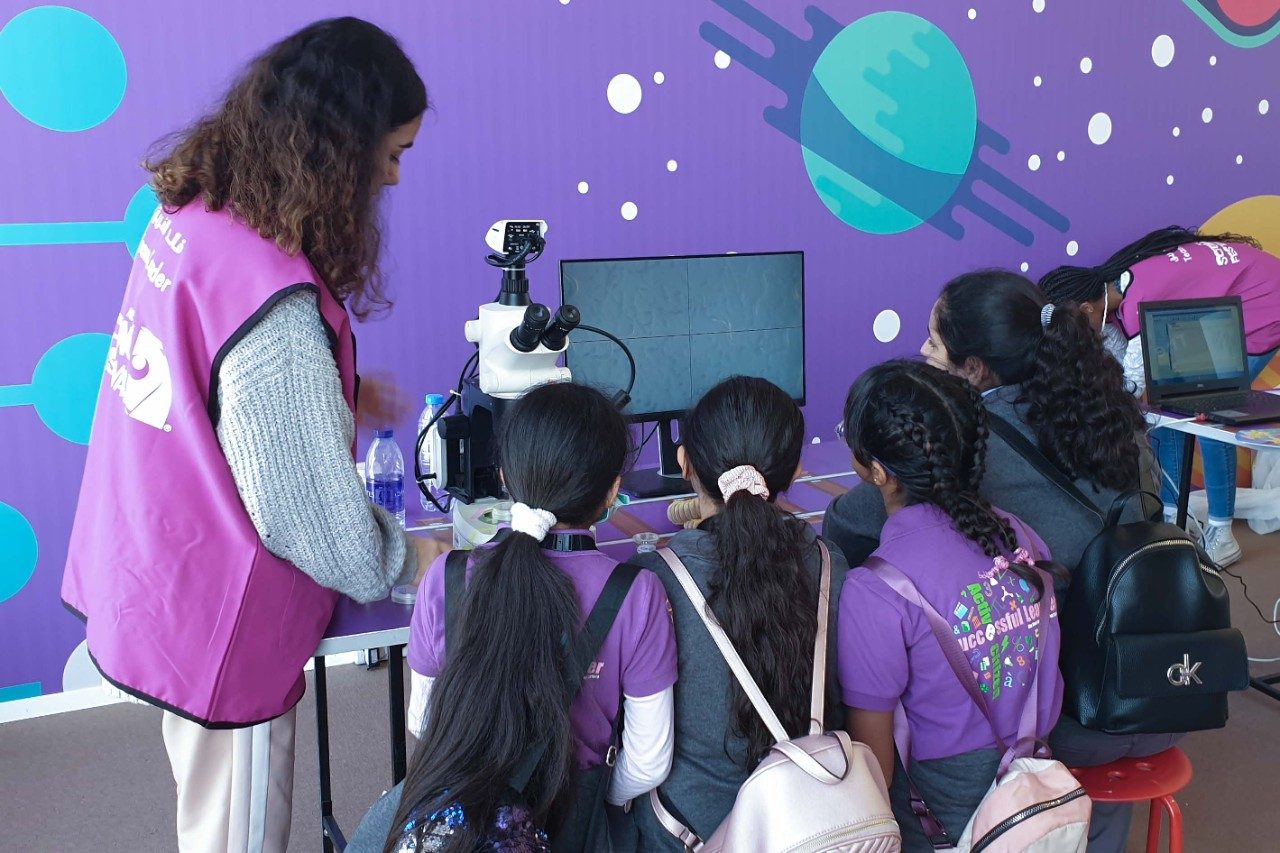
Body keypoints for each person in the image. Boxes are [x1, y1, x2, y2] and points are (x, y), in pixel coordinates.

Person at [61, 18, 433, 852]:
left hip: (154, 566)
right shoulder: (278, 310)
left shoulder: (195, 217)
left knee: (207, 814)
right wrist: (414, 561)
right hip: (219, 619)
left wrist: (329, 396)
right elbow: (311, 523)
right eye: (392, 153)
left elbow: (206, 381)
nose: (394, 177)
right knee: (237, 834)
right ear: (342, 151)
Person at [379, 382, 677, 852]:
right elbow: (648, 762)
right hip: (576, 822)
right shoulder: (637, 594)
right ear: (612, 493)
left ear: (503, 476)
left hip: (461, 823)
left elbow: (424, 721)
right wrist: (593, 797)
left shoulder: (446, 577)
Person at [835, 360, 1064, 852]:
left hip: (941, 803)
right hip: (1037, 773)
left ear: (878, 472)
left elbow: (876, 765)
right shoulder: (1019, 536)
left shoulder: (876, 587)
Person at [629, 376, 850, 850]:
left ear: (684, 463)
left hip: (689, 836)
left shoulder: (652, 580)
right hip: (815, 826)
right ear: (797, 471)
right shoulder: (831, 563)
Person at [824, 270, 1151, 579]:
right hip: (1126, 597)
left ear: (974, 369)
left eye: (934, 342)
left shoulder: (955, 434)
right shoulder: (1106, 403)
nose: (923, 350)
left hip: (1034, 612)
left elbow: (846, 527)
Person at [1041, 226, 1280, 566]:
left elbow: (1130, 388)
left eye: (1073, 326)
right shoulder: (1119, 288)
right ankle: (1173, 519)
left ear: (1086, 309)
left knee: (1215, 412)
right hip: (1240, 291)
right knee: (1169, 410)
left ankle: (1222, 534)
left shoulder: (1139, 305)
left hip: (1266, 302)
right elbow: (1129, 373)